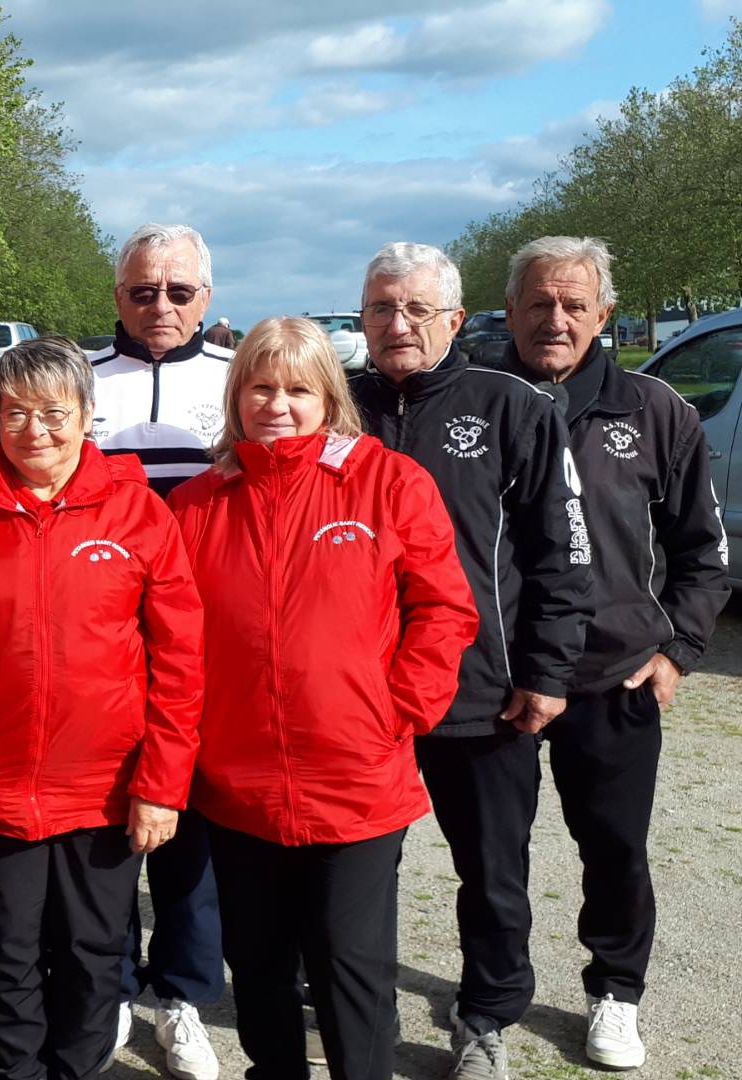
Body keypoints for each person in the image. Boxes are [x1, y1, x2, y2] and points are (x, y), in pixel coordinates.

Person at [169, 316, 478, 1079]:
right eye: (261, 387)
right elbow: (171, 638)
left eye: (298, 389)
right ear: (236, 396)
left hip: (355, 777)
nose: (278, 404)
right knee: (259, 963)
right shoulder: (199, 503)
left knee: (352, 966)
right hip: (238, 782)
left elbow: (443, 608)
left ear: (328, 397)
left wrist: (399, 708)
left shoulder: (386, 481)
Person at [0, 336, 205, 1080]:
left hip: (103, 790)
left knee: (96, 957)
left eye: (53, 412)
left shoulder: (139, 518)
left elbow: (182, 660)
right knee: (2, 957)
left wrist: (161, 785)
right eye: (14, 412)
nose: (34, 430)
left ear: (88, 415)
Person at [347, 242, 594, 1079]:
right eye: (382, 309)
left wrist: (547, 672)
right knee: (353, 863)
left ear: (456, 319)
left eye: (417, 309)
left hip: (479, 691)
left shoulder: (511, 405)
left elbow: (561, 553)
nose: (398, 324)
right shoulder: (335, 407)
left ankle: (486, 1014)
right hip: (355, 695)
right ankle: (347, 993)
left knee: (491, 871)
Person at [495, 237, 729, 1069]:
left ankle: (616, 994)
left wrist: (678, 651)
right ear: (511, 309)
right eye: (538, 304)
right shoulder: (477, 403)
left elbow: (705, 551)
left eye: (573, 305)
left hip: (613, 677)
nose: (554, 320)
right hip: (499, 681)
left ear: (602, 315)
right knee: (495, 856)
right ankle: (494, 998)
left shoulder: (655, 410)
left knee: (614, 847)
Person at [86, 223, 231, 1079]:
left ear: (208, 298)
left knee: (188, 827)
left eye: (179, 292)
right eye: (144, 291)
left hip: (200, 639)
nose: (161, 306)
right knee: (108, 818)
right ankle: (108, 980)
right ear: (119, 297)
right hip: (101, 637)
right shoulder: (84, 383)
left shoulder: (237, 381)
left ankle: (181, 995)